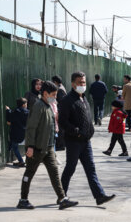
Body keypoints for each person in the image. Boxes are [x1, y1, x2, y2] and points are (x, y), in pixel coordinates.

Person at [17, 81, 78, 210]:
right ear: (45, 94)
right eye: (53, 95)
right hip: (37, 148)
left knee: (54, 173)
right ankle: (23, 199)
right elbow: (31, 128)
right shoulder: (38, 106)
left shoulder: (49, 105)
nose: (55, 97)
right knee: (29, 173)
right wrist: (30, 147)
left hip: (48, 147)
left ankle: (62, 198)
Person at [59, 72, 115, 206]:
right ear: (73, 84)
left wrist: (91, 130)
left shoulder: (84, 99)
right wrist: (76, 131)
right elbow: (62, 121)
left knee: (91, 169)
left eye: (84, 82)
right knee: (70, 168)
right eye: (79, 83)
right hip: (73, 141)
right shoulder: (67, 100)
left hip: (86, 141)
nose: (82, 85)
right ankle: (61, 196)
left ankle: (99, 196)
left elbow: (87, 118)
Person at [5, 98, 29, 167]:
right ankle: (29, 161)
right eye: (26, 103)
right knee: (28, 147)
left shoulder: (15, 112)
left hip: (15, 133)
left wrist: (8, 110)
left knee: (15, 147)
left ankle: (21, 161)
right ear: (24, 104)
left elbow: (9, 119)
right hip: (26, 132)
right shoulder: (28, 112)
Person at [52, 75, 67, 151]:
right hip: (61, 110)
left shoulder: (60, 90)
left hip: (61, 111)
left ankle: (61, 145)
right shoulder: (61, 87)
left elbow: (61, 102)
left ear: (55, 82)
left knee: (60, 130)